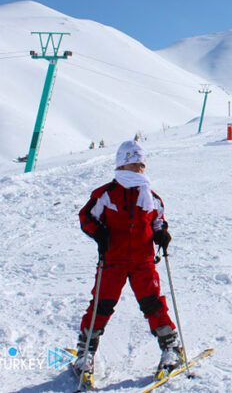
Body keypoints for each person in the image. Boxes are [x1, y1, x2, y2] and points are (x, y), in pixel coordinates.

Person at [73, 141, 180, 383]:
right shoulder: (106, 194)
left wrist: (161, 233)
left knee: (152, 304)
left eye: (142, 165)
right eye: (134, 164)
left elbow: (157, 221)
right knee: (101, 305)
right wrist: (98, 233)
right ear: (122, 164)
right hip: (113, 259)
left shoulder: (151, 196)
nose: (139, 170)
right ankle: (85, 353)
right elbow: (86, 216)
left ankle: (171, 347)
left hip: (143, 261)